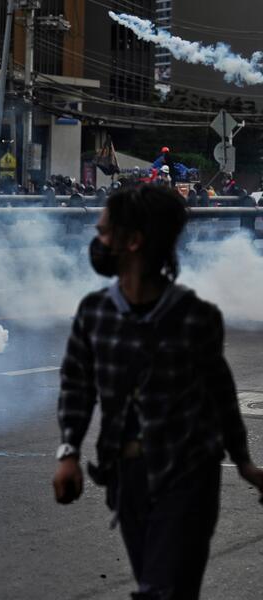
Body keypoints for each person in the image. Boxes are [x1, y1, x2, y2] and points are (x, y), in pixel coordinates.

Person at [52, 185, 263, 599]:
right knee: (164, 584)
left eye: (105, 232)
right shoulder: (94, 313)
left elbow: (221, 395)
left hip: (188, 473)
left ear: (133, 241)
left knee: (159, 590)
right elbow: (77, 386)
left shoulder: (195, 317)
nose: (98, 240)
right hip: (126, 476)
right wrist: (69, 453)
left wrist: (244, 463)